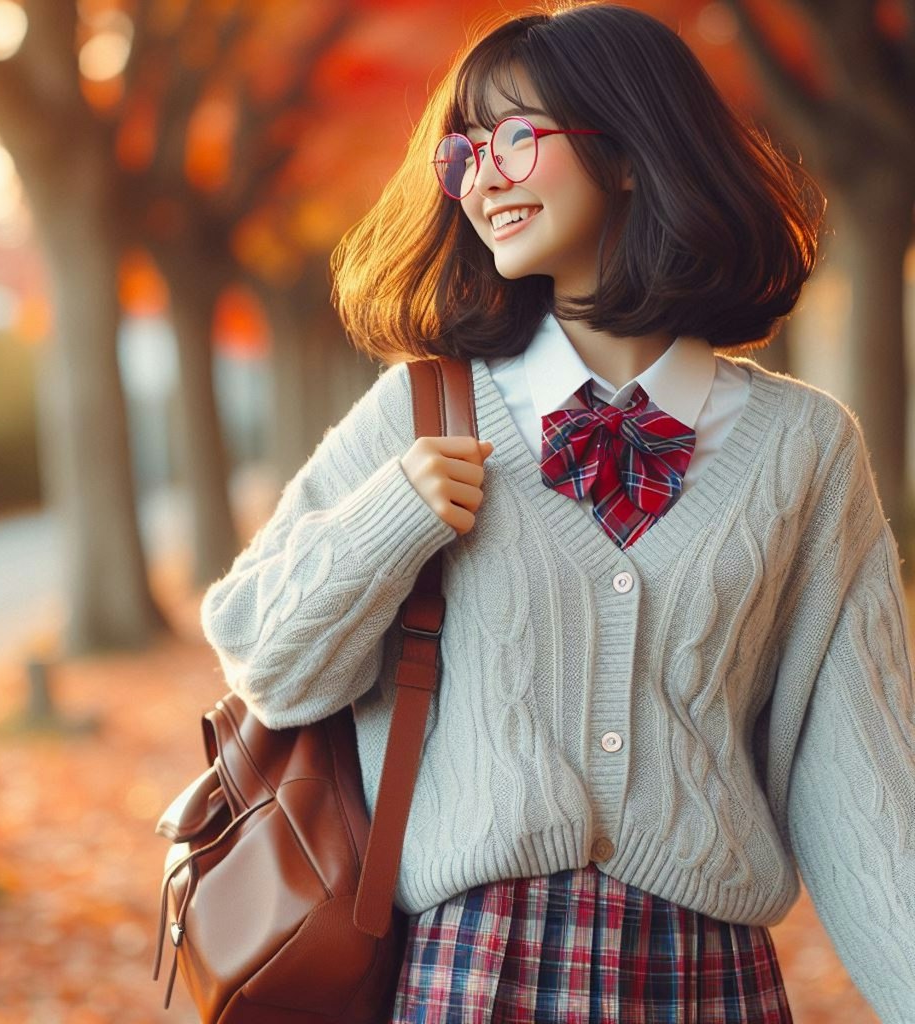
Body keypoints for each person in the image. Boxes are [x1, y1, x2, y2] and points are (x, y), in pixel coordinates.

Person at [201, 3, 915, 1022]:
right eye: (464, 152)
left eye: (517, 138)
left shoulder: (803, 450)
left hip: (704, 982)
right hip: (469, 977)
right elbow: (262, 656)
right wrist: (388, 520)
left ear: (629, 151)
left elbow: (861, 782)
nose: (481, 177)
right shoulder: (424, 410)